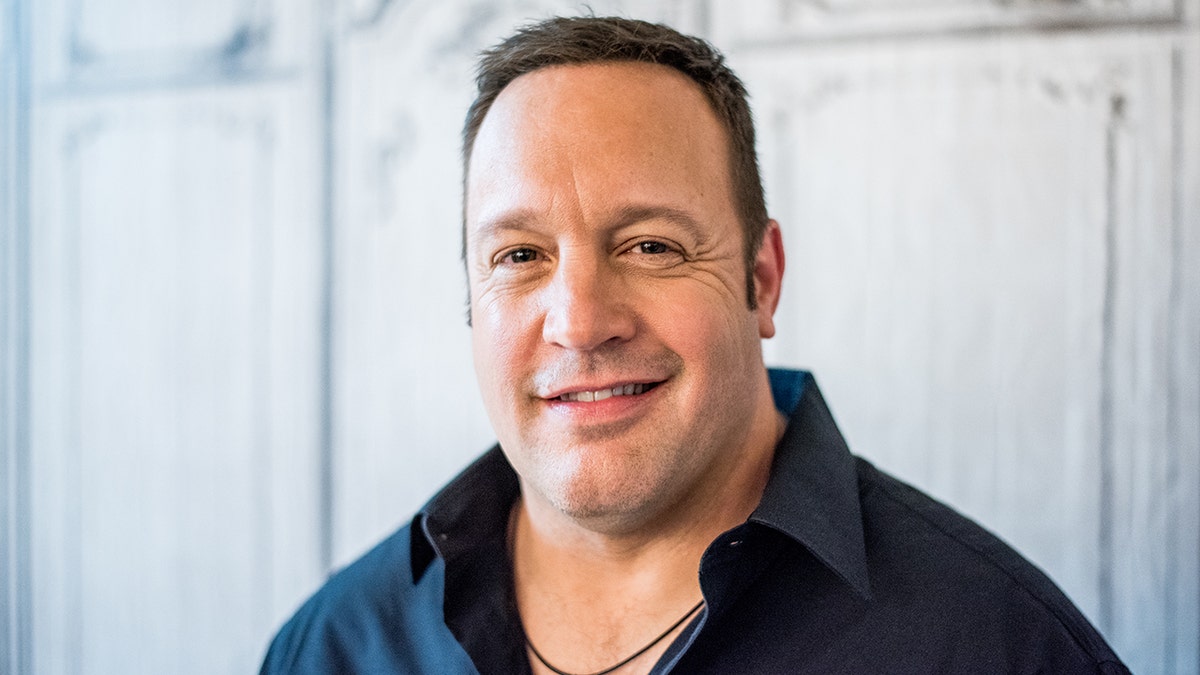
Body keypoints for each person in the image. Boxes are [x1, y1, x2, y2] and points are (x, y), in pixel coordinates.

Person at [260, 16, 1128, 674]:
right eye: (520, 256)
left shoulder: (994, 643)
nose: (580, 319)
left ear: (762, 280)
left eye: (650, 246)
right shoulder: (333, 645)